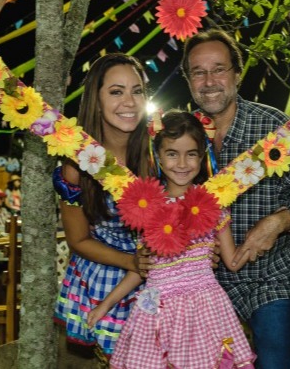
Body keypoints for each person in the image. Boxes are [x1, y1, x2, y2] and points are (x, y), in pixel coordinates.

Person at [180, 29, 290, 369]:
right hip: (204, 282)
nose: (209, 81)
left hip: (272, 275)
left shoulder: (272, 126)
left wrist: (278, 222)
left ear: (237, 74)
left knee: (274, 361)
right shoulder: (180, 135)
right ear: (188, 80)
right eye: (198, 72)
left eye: (219, 69)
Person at [88, 110, 256, 368]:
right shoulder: (147, 208)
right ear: (157, 155)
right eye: (172, 154)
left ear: (202, 156)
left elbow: (232, 262)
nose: (182, 163)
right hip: (158, 312)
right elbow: (143, 268)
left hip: (205, 310)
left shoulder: (212, 205)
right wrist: (105, 305)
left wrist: (261, 237)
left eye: (191, 154)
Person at [52, 53, 150, 366]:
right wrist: (133, 262)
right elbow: (78, 240)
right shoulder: (77, 165)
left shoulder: (158, 153)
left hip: (158, 278)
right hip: (103, 279)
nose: (129, 102)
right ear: (96, 100)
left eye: (137, 91)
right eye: (116, 91)